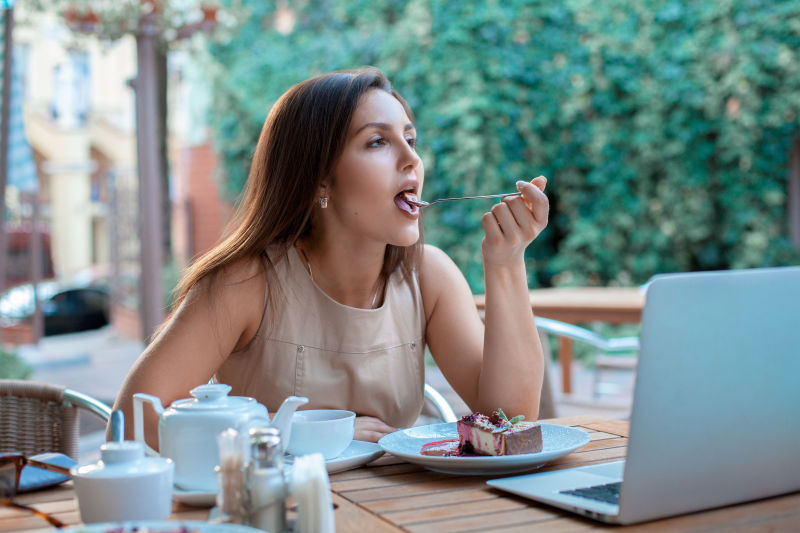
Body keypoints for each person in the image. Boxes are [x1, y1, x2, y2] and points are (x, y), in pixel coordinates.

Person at [113, 66, 549, 446]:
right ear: (320, 179)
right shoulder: (245, 282)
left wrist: (507, 261)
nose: (412, 159)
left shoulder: (429, 275)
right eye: (378, 141)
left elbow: (510, 419)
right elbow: (133, 417)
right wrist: (296, 432)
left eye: (411, 139)